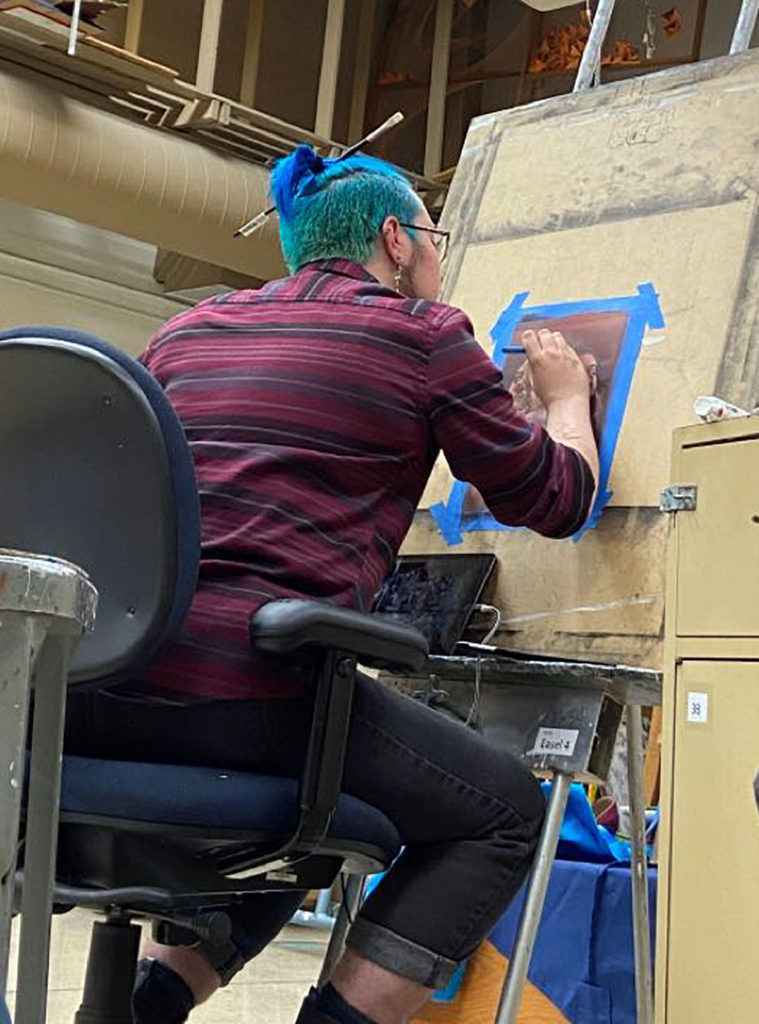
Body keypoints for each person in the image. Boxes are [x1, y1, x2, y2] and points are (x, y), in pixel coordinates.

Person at [64, 145, 599, 1024]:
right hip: (250, 695)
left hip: (101, 688)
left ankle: (150, 1006)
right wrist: (568, 400)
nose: (437, 255)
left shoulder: (184, 332)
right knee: (502, 812)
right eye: (432, 236)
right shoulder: (426, 335)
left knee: (323, 812)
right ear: (395, 239)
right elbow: (554, 496)